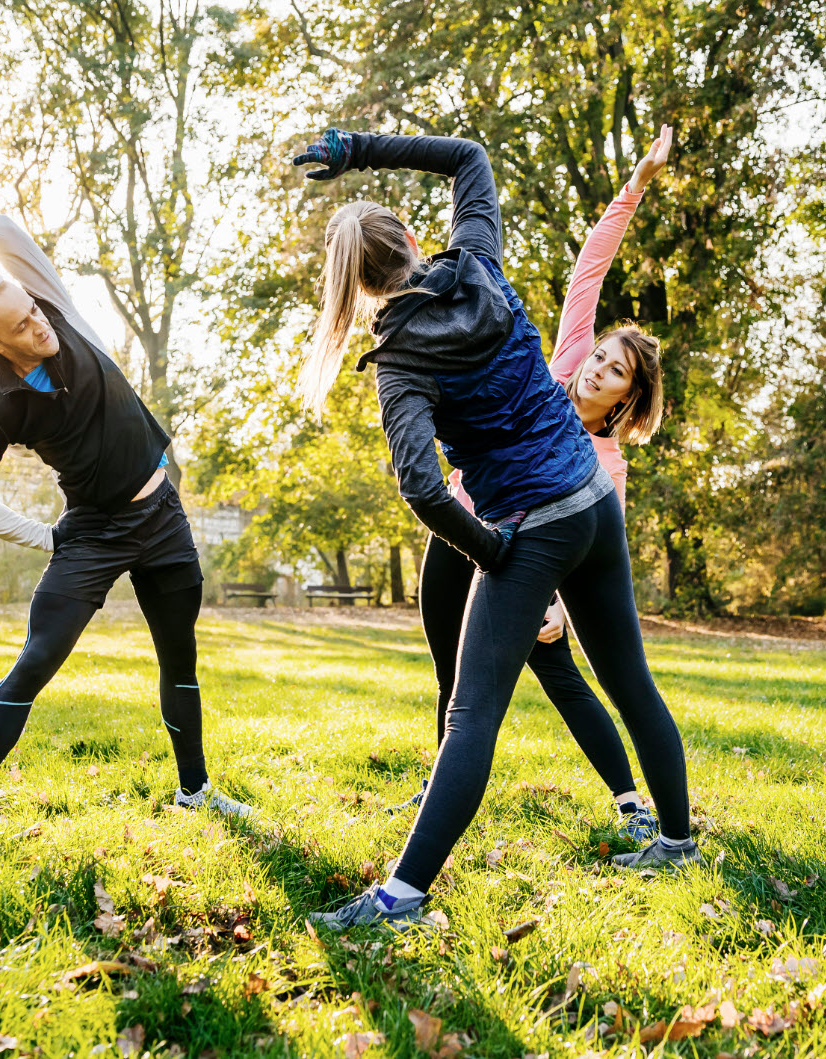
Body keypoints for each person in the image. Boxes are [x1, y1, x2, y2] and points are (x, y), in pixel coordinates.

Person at [289, 127, 696, 932]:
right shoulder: (476, 258)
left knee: (470, 715)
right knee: (629, 681)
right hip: (591, 501)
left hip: (531, 525)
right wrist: (356, 150)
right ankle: (677, 839)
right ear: (411, 237)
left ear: (358, 290)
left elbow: (420, 487)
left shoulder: (400, 362)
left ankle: (400, 897)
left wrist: (492, 551)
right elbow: (471, 155)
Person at [0, 210, 251, 848]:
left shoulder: (56, 310)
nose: (37, 324)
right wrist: (46, 537)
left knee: (180, 659)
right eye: (20, 327)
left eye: (32, 308)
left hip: (163, 519)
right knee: (37, 661)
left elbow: (4, 233)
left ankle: (195, 790)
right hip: (91, 534)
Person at [400, 127, 675, 849]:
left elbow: (586, 542)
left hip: (527, 555)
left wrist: (552, 599)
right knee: (449, 672)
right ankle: (440, 789)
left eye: (614, 371)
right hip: (459, 526)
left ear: (624, 399)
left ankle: (628, 799)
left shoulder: (603, 464)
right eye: (599, 356)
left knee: (562, 677)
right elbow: (590, 267)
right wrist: (635, 184)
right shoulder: (556, 365)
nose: (595, 369)